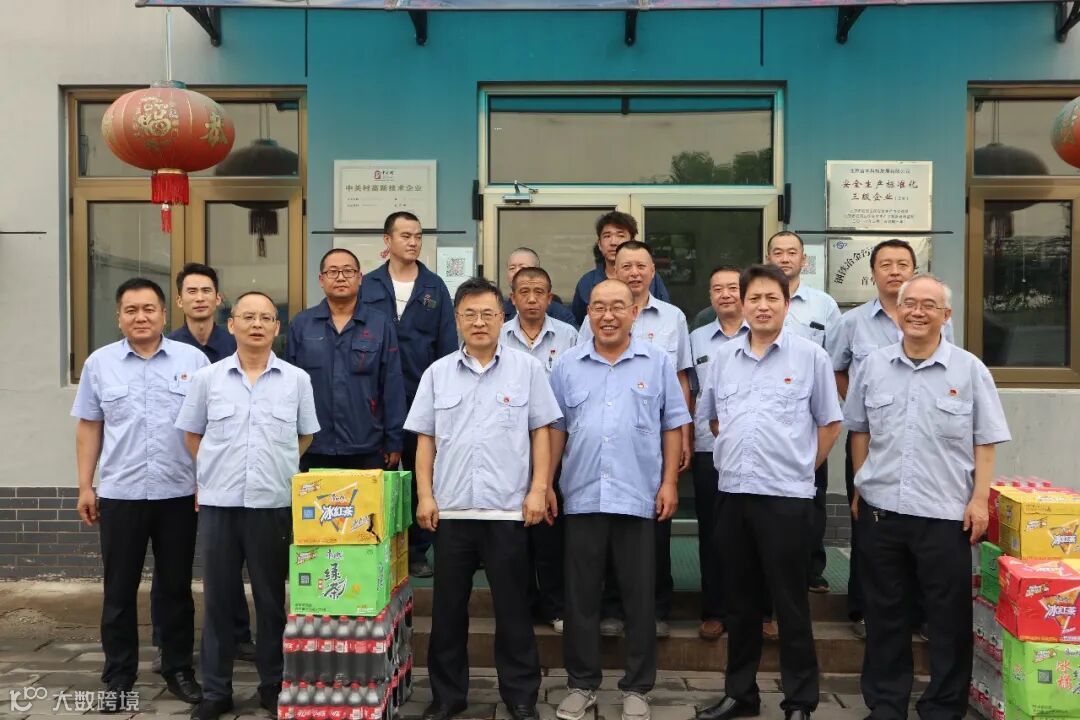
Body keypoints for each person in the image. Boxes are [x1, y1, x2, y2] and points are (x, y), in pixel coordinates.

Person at [844, 274, 1010, 720]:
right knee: (884, 614)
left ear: (946, 315)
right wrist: (860, 485)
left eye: (929, 305)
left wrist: (979, 500)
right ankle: (886, 703)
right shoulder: (873, 366)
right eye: (909, 304)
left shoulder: (969, 370)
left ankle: (942, 706)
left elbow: (985, 441)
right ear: (897, 311)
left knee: (947, 617)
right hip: (882, 512)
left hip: (945, 514)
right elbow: (859, 431)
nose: (917, 312)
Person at [405, 277, 562, 720]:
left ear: (501, 317)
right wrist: (425, 496)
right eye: (470, 314)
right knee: (448, 612)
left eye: (488, 314)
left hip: (508, 510)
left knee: (513, 611)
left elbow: (541, 431)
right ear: (457, 319)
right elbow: (425, 440)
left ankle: (520, 695)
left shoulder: (527, 370)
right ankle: (447, 696)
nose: (479, 322)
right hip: (452, 510)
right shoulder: (437, 373)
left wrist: (538, 488)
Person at [696, 264, 842, 720]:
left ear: (786, 304)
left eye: (771, 298)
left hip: (786, 500)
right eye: (754, 298)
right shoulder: (723, 358)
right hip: (734, 494)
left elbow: (830, 423)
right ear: (742, 304)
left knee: (790, 605)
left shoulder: (811, 357)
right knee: (740, 604)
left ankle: (799, 701)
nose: (762, 306)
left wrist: (801, 467)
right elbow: (714, 419)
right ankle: (741, 694)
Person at [550, 279, 691, 720]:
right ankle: (582, 684)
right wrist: (546, 484)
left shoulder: (658, 361)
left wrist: (669, 483)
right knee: (581, 598)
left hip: (638, 495)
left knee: (639, 597)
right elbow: (555, 428)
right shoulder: (567, 364)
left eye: (617, 307)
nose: (607, 316)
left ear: (634, 312)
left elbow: (672, 424)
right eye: (598, 307)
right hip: (582, 495)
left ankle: (637, 687)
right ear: (587, 314)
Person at [176, 291, 320, 720]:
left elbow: (305, 435)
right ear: (232, 323)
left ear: (277, 327)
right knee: (219, 601)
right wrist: (215, 470)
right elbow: (191, 434)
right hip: (219, 505)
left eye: (266, 318)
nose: (257, 324)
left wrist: (275, 465)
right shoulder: (208, 379)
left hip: (272, 504)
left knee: (272, 601)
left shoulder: (297, 380)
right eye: (248, 317)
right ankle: (216, 691)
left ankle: (272, 684)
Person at [71, 278, 208, 711]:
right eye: (131, 310)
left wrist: (206, 481)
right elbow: (89, 426)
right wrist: (85, 485)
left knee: (176, 589)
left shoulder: (193, 361)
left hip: (179, 493)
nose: (141, 317)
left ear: (165, 314)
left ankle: (179, 669)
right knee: (118, 590)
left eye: (149, 309)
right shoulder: (99, 363)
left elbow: (210, 427)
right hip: (121, 493)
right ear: (119, 317)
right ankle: (119, 677)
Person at [825, 238, 951, 639]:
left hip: (924, 441)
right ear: (873, 273)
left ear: (914, 270)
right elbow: (835, 369)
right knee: (868, 525)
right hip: (869, 439)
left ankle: (918, 613)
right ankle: (865, 610)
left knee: (920, 525)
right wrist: (863, 407)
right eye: (886, 264)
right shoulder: (852, 322)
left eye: (902, 264)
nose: (894, 271)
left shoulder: (936, 317)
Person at [578, 240, 692, 638]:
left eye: (642, 265)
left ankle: (656, 609)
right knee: (608, 535)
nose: (634, 272)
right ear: (614, 269)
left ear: (652, 272)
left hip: (649, 443)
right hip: (602, 449)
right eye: (626, 265)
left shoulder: (673, 318)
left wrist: (684, 435)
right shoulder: (594, 318)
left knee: (653, 531)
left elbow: (681, 378)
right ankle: (611, 609)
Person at [154, 263, 254, 673]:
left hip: (230, 472)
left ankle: (238, 635)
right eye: (191, 291)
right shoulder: (167, 348)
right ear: (179, 300)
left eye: (206, 291)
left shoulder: (238, 344)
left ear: (219, 299)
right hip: (177, 472)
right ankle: (167, 641)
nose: (199, 298)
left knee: (233, 558)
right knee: (171, 564)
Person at [360, 211, 457, 578]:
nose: (413, 242)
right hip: (376, 399)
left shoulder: (434, 287)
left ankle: (417, 551)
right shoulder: (368, 285)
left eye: (417, 236)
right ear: (387, 241)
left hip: (422, 396)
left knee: (422, 477)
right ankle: (379, 545)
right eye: (405, 235)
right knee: (380, 476)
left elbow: (447, 346)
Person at [502, 266, 579, 633]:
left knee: (550, 529)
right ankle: (521, 605)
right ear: (512, 297)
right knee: (514, 533)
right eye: (524, 292)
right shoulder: (498, 335)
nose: (532, 299)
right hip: (510, 448)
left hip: (555, 444)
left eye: (539, 292)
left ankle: (555, 605)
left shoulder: (569, 336)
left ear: (550, 298)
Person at [766, 231, 841, 594]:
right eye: (777, 252)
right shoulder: (759, 301)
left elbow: (837, 360)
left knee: (813, 496)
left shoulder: (823, 305)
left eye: (791, 252)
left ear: (803, 260)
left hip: (810, 422)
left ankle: (812, 568)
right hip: (768, 420)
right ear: (768, 257)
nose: (785, 258)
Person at [285, 248, 406, 468]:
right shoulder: (301, 325)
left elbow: (392, 384)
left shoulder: (380, 324)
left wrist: (394, 439)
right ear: (321, 280)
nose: (341, 277)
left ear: (360, 278)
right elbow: (288, 387)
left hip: (367, 445)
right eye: (333, 272)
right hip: (313, 445)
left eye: (348, 271)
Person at [687, 265, 747, 643]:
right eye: (717, 289)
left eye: (732, 287)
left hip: (756, 451)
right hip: (709, 449)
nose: (725, 294)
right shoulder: (695, 339)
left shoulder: (763, 334)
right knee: (712, 533)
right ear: (710, 296)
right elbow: (689, 392)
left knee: (754, 535)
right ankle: (714, 611)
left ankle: (759, 613)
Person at [570, 211, 670, 325]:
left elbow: (665, 315)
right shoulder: (586, 282)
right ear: (599, 244)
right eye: (607, 236)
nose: (613, 242)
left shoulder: (649, 277)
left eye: (620, 235)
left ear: (632, 241)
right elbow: (578, 324)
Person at [503, 247, 576, 325]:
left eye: (523, 267)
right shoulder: (499, 312)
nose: (516, 272)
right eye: (512, 268)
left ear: (538, 271)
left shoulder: (561, 314)